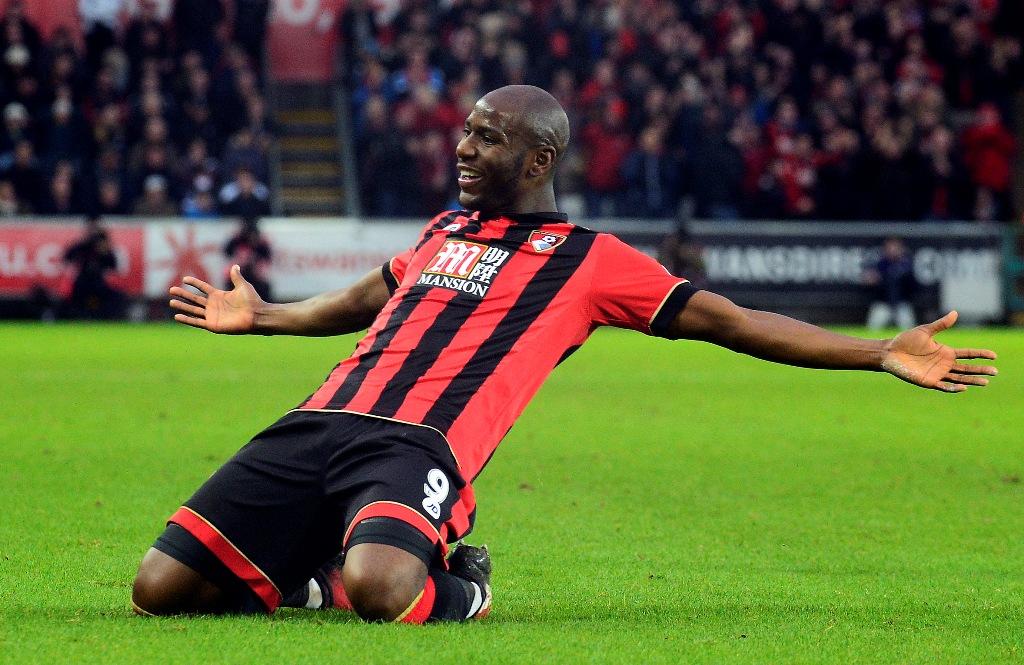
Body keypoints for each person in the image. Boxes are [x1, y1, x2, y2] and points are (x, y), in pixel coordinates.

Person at [134, 85, 997, 624]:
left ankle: (462, 585)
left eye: (487, 138)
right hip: (318, 420)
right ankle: (309, 577)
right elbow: (365, 299)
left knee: (388, 591)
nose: (465, 150)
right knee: (159, 589)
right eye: (466, 133)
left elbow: (731, 321)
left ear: (540, 157)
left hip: (416, 447)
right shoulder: (444, 229)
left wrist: (877, 349)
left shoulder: (593, 260)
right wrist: (268, 319)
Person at [62, 215, 123, 319]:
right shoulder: (82, 246)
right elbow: (67, 257)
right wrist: (82, 243)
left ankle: (106, 319)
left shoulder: (103, 245)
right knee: (73, 296)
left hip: (99, 282)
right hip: (83, 282)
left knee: (115, 296)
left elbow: (114, 266)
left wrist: (106, 252)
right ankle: (77, 318)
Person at [865, 237, 918, 331]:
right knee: (873, 328)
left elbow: (914, 287)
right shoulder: (879, 265)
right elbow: (868, 283)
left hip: (901, 304)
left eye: (895, 247)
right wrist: (871, 280)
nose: (892, 250)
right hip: (883, 304)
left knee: (909, 330)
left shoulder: (907, 265)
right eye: (890, 247)